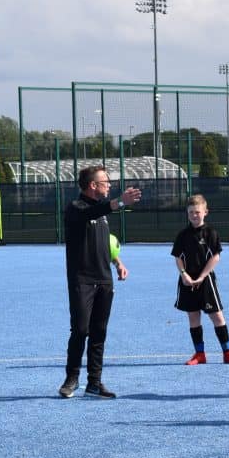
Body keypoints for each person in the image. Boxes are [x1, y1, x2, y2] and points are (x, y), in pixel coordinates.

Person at [58, 166, 141, 399]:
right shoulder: (76, 209)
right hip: (82, 280)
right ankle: (71, 379)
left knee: (99, 332)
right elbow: (90, 214)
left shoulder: (101, 212)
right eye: (105, 181)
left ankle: (94, 382)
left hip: (104, 279)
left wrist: (117, 262)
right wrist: (120, 202)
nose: (109, 185)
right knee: (80, 330)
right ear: (93, 185)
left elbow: (105, 242)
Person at [171, 194, 229, 366]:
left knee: (217, 317)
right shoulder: (183, 235)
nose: (194, 215)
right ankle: (199, 354)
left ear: (205, 212)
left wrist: (202, 276)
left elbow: (215, 257)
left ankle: (228, 353)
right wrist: (184, 274)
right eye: (190, 213)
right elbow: (178, 257)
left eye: (197, 212)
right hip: (187, 281)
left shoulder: (211, 233)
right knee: (193, 317)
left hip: (206, 281)